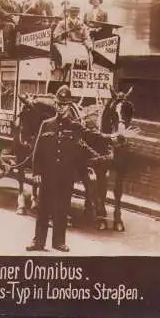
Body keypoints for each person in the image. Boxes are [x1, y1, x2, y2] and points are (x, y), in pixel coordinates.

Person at [26, 86, 114, 252]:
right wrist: (36, 172)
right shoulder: (46, 125)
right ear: (55, 104)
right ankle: (38, 241)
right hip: (48, 176)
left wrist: (111, 138)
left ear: (68, 106)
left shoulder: (74, 127)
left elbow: (91, 137)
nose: (61, 107)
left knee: (62, 209)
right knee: (44, 208)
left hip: (66, 177)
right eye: (58, 104)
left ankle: (59, 242)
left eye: (64, 104)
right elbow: (38, 151)